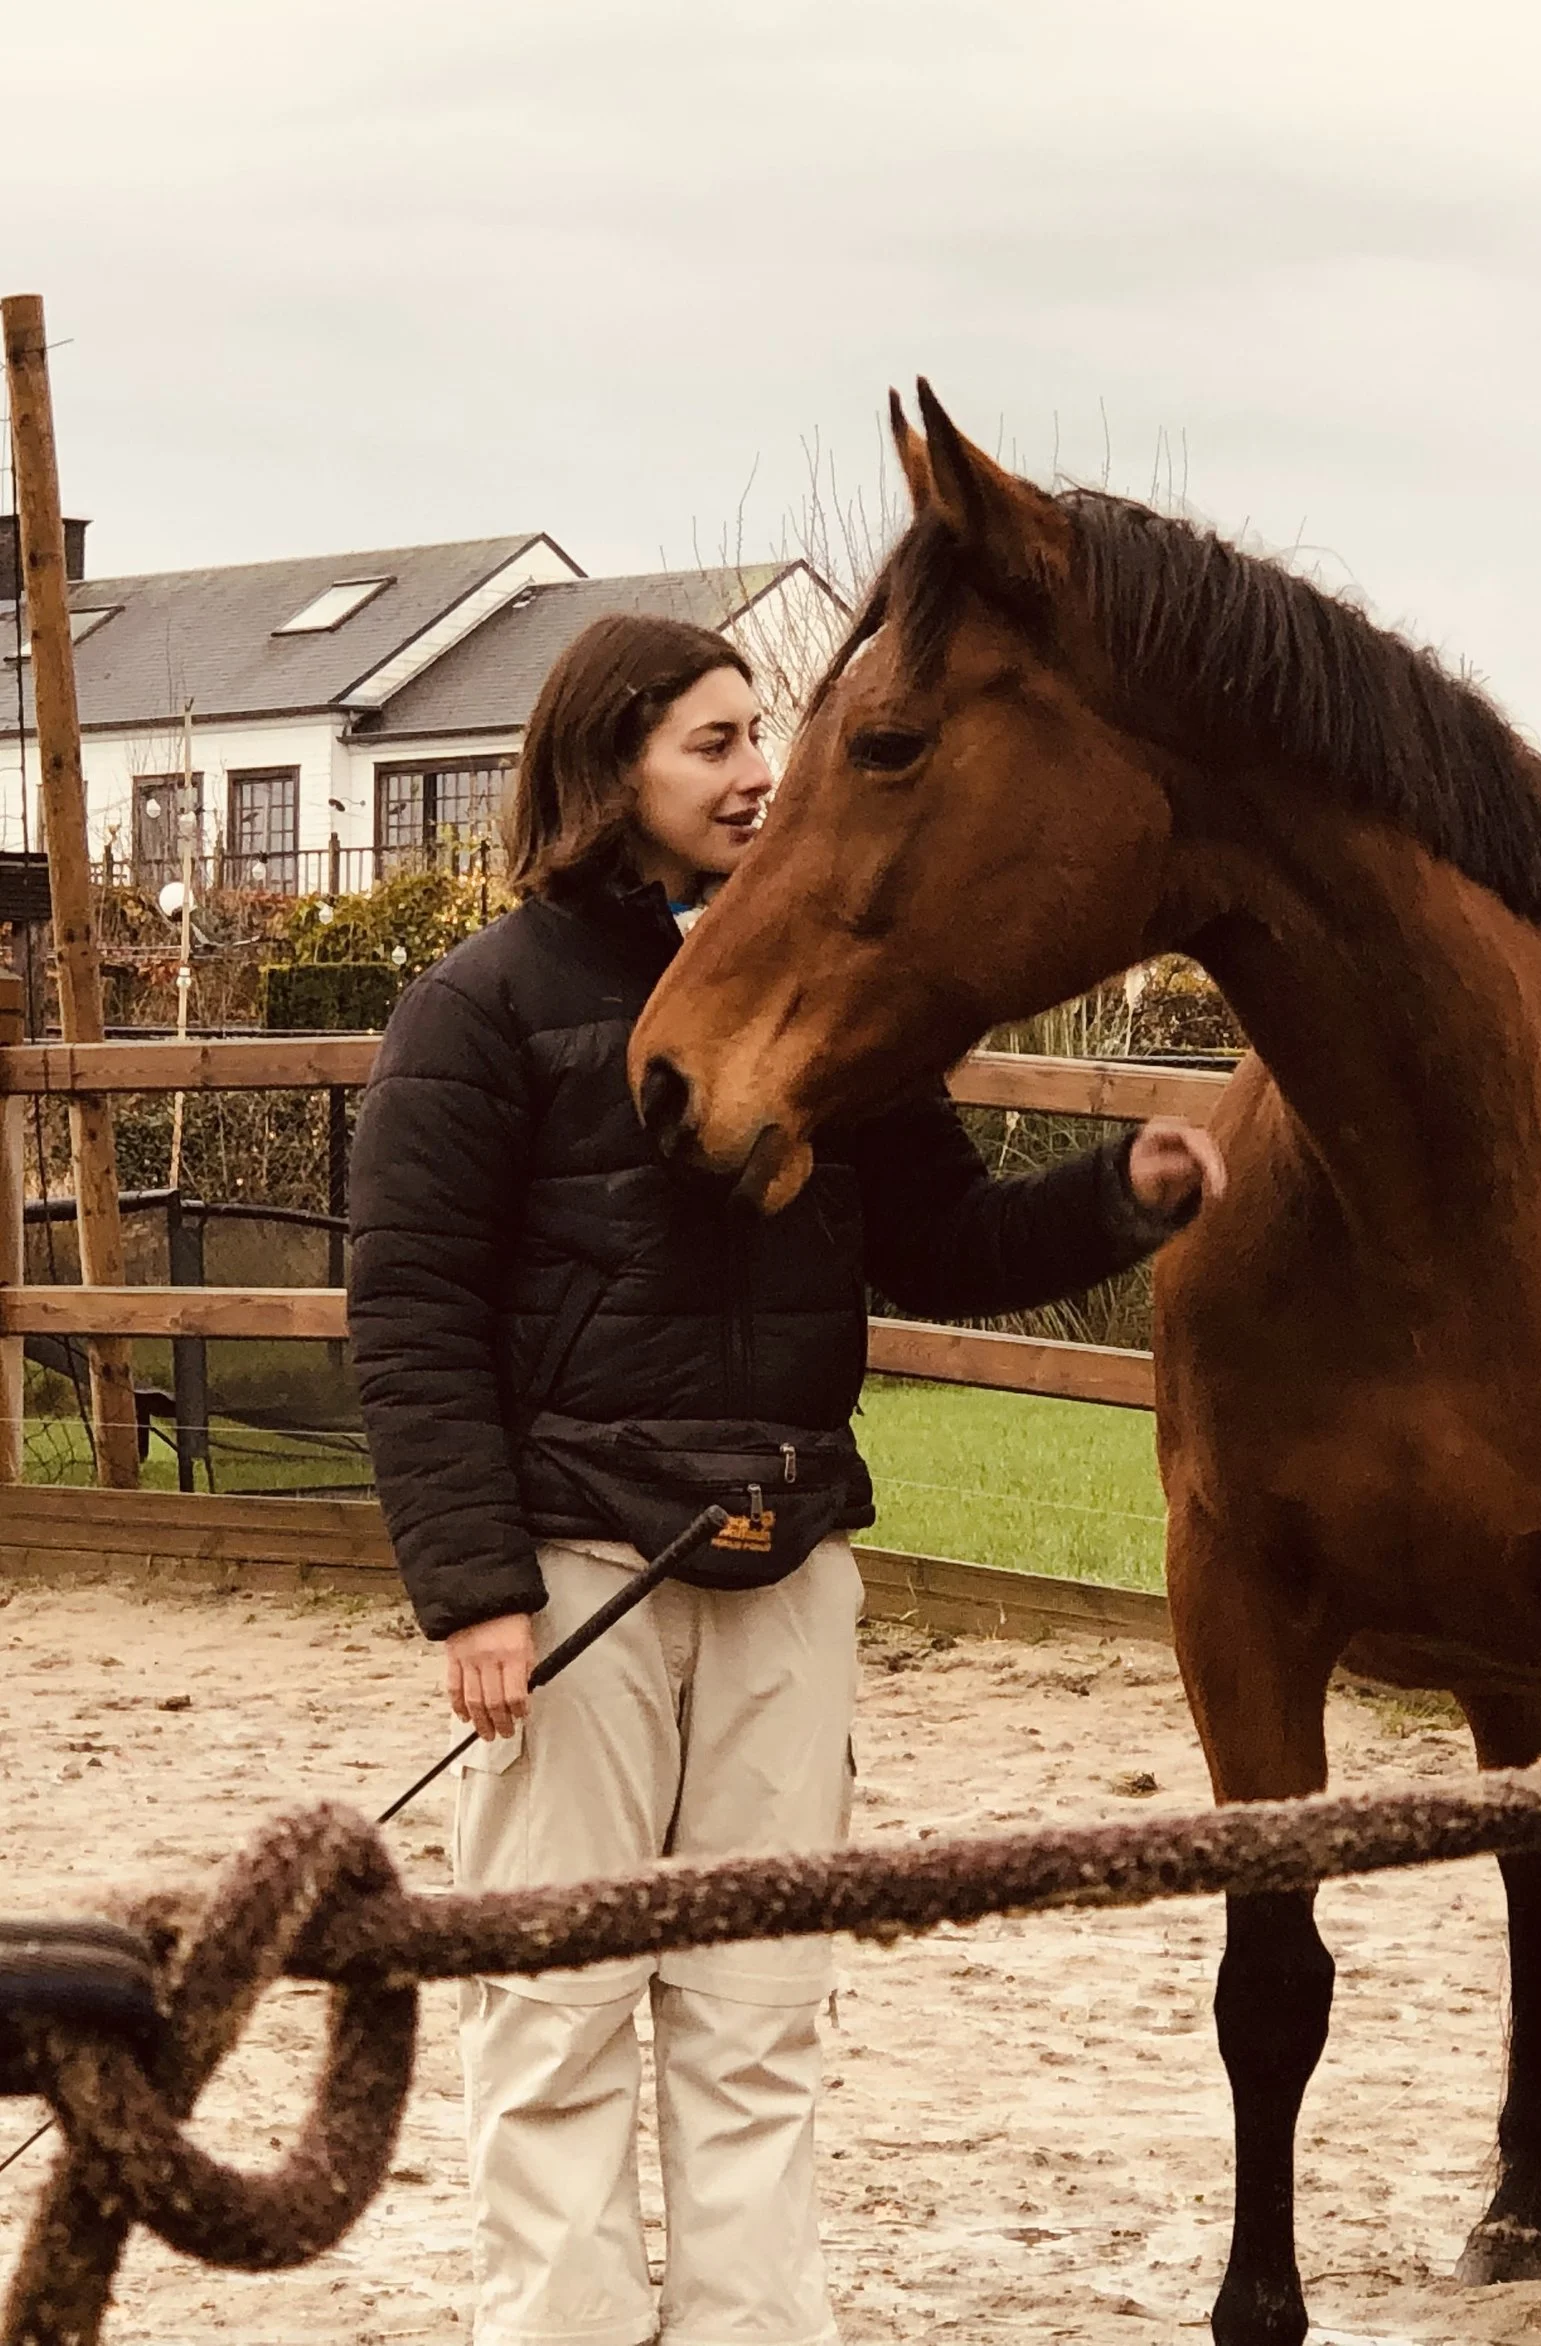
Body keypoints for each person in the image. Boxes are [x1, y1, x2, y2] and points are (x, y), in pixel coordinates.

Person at [347, 611, 1221, 2346]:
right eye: (718, 741)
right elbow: (412, 1312)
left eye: (764, 736)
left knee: (759, 1999)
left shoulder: (828, 997)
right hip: (581, 1568)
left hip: (788, 1544)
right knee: (558, 1993)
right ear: (611, 769)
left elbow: (940, 1238)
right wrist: (476, 1593)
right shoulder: (483, 1009)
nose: (761, 773)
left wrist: (1115, 1191)